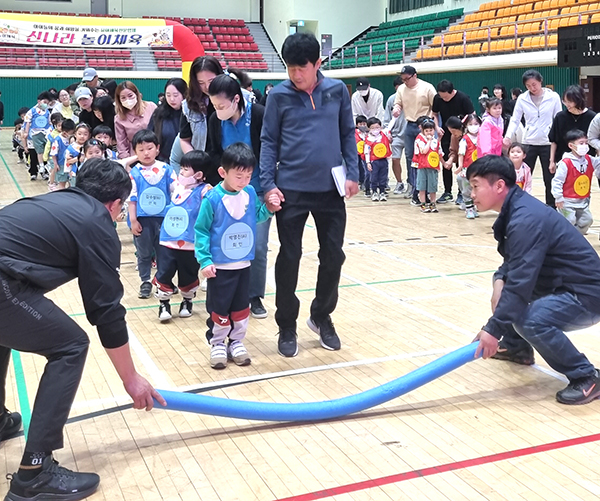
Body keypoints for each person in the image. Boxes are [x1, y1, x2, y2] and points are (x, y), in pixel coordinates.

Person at [0, 158, 166, 501]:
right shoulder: (97, 223)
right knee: (71, 345)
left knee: (6, 328)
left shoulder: (51, 201)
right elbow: (105, 311)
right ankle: (34, 473)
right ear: (116, 204)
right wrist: (130, 378)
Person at [469, 154, 600, 405]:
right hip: (563, 285)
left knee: (529, 320)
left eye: (475, 186)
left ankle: (587, 376)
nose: (471, 193)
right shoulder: (516, 209)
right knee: (507, 294)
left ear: (498, 186)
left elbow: (521, 282)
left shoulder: (525, 218)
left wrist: (492, 330)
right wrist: (499, 282)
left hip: (587, 295)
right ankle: (517, 347)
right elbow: (512, 264)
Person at [260, 32, 359, 358]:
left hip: (330, 190)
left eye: (301, 68)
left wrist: (354, 174)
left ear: (318, 63)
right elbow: (269, 141)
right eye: (290, 68)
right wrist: (268, 185)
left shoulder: (337, 91)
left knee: (333, 256)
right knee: (289, 257)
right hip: (290, 190)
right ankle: (286, 324)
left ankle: (321, 315)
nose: (295, 74)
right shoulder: (278, 96)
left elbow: (347, 132)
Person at [195, 143, 276, 369]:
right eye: (239, 176)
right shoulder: (212, 199)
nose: (244, 181)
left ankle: (237, 341)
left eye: (249, 176)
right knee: (219, 307)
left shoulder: (250, 193)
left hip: (243, 264)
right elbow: (201, 230)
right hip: (219, 267)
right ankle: (218, 342)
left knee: (241, 306)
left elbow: (256, 218)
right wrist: (205, 260)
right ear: (223, 173)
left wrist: (269, 208)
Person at [207, 72, 270, 319]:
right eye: (214, 105)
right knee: (227, 243)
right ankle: (231, 296)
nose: (218, 109)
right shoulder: (215, 119)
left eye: (221, 105)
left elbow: (268, 152)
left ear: (236, 99)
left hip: (257, 189)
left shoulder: (258, 115)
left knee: (258, 245)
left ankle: (254, 296)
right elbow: (212, 152)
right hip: (226, 191)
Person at [155, 151, 211, 322]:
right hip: (168, 240)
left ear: (199, 175)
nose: (181, 172)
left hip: (190, 243)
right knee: (164, 272)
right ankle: (164, 303)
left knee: (188, 274)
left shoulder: (205, 191)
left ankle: (187, 301)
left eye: (186, 170)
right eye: (181, 168)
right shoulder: (176, 186)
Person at [128, 130, 176, 299]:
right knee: (144, 252)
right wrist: (133, 220)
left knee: (164, 252)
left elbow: (175, 193)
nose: (146, 153)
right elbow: (131, 199)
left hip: (164, 220)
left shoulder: (166, 169)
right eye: (141, 149)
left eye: (149, 148)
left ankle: (163, 280)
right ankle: (145, 281)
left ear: (157, 148)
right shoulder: (134, 173)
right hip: (142, 221)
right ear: (135, 151)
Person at [503, 69, 562, 207]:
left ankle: (551, 207)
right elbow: (515, 119)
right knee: (521, 175)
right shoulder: (522, 99)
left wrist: (559, 140)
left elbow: (558, 118)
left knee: (550, 178)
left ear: (541, 81)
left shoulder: (553, 97)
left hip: (548, 143)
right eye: (528, 86)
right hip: (528, 143)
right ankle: (521, 204)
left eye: (534, 84)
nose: (532, 88)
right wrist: (508, 136)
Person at [392, 65, 436, 204]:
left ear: (415, 75)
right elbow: (397, 103)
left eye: (407, 78)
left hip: (425, 125)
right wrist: (396, 109)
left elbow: (435, 109)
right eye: (402, 79)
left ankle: (428, 189)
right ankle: (414, 188)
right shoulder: (401, 89)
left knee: (427, 157)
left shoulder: (427, 88)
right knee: (411, 158)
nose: (404, 81)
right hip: (410, 124)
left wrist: (435, 127)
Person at [432, 79, 475, 204]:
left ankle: (462, 193)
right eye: (441, 96)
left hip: (461, 133)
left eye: (445, 97)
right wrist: (436, 127)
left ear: (452, 92)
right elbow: (434, 113)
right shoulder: (437, 98)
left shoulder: (463, 98)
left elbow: (472, 115)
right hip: (445, 133)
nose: (443, 99)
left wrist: (463, 129)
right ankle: (447, 192)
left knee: (461, 162)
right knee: (446, 161)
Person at [551, 129, 600, 235]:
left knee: (587, 220)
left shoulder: (589, 159)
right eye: (581, 143)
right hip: (566, 201)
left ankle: (573, 238)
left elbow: (598, 163)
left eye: (586, 143)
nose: (585, 145)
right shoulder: (565, 163)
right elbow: (557, 181)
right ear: (571, 146)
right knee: (569, 221)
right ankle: (563, 241)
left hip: (583, 201)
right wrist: (558, 197)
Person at [179, 56, 224, 166]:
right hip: (203, 166)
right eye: (201, 82)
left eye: (211, 81)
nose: (207, 87)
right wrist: (195, 161)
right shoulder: (189, 105)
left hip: (229, 165)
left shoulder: (233, 98)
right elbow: (184, 139)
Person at [550, 85, 596, 172]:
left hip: (585, 162)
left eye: (570, 102)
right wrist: (552, 161)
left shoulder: (592, 117)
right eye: (565, 101)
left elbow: (596, 142)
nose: (567, 105)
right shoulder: (560, 117)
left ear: (579, 100)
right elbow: (554, 140)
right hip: (563, 162)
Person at [114, 81, 157, 158]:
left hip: (155, 153)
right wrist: (127, 162)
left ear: (136, 94)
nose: (127, 99)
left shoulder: (151, 107)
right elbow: (121, 144)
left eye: (130, 95)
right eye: (123, 98)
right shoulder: (118, 118)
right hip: (134, 156)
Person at [148, 78, 187, 163]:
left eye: (175, 95)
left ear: (184, 94)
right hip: (163, 160)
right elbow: (150, 135)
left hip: (187, 162)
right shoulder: (159, 113)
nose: (172, 99)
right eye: (168, 95)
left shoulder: (191, 114)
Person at [414, 116, 443, 213]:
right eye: (426, 131)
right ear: (423, 131)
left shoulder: (436, 142)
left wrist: (443, 164)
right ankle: (423, 205)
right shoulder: (419, 140)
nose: (429, 132)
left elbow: (439, 153)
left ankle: (433, 204)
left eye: (431, 130)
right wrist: (429, 141)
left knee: (432, 187)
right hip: (422, 167)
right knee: (422, 187)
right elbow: (424, 151)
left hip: (432, 167)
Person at [454, 114, 481, 218]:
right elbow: (461, 154)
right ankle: (469, 209)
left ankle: (474, 206)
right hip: (467, 169)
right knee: (466, 189)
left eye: (476, 124)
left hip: (479, 169)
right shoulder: (464, 139)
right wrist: (460, 166)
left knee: (478, 189)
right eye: (470, 124)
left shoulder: (482, 138)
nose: (473, 126)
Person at [384, 76, 407, 195]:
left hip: (409, 134)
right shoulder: (391, 100)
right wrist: (387, 132)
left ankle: (412, 184)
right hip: (396, 135)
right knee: (395, 159)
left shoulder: (411, 98)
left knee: (412, 161)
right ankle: (399, 183)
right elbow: (387, 118)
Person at [22, 91, 52, 181]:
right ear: (39, 101)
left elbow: (50, 122)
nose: (46, 104)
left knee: (44, 154)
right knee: (33, 155)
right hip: (33, 136)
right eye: (45, 102)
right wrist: (26, 134)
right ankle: (33, 173)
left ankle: (44, 173)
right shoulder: (31, 111)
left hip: (44, 135)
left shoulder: (47, 112)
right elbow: (27, 123)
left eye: (48, 103)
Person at [364, 116, 393, 202]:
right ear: (369, 129)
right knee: (374, 177)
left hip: (383, 160)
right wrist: (368, 162)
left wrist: (394, 117)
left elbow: (390, 126)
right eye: (372, 128)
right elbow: (366, 152)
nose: (375, 129)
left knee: (383, 177)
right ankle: (374, 192)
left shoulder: (383, 134)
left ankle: (382, 192)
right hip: (374, 161)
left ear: (380, 127)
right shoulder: (368, 139)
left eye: (377, 127)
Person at [49, 119, 75, 191]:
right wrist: (55, 164)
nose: (72, 135)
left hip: (71, 164)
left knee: (71, 183)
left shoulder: (73, 139)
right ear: (64, 132)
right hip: (61, 165)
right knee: (62, 183)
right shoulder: (57, 140)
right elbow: (53, 154)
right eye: (71, 133)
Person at [64, 123, 91, 188]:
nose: (82, 136)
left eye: (85, 134)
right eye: (79, 134)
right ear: (75, 135)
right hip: (74, 173)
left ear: (89, 136)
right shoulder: (71, 147)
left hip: (88, 173)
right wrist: (78, 159)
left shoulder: (90, 146)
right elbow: (68, 161)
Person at [355, 114, 369, 195]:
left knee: (364, 167)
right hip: (356, 153)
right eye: (360, 124)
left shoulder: (368, 133)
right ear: (357, 125)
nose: (363, 126)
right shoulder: (353, 132)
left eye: (364, 124)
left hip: (364, 153)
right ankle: (359, 181)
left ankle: (364, 182)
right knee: (358, 166)